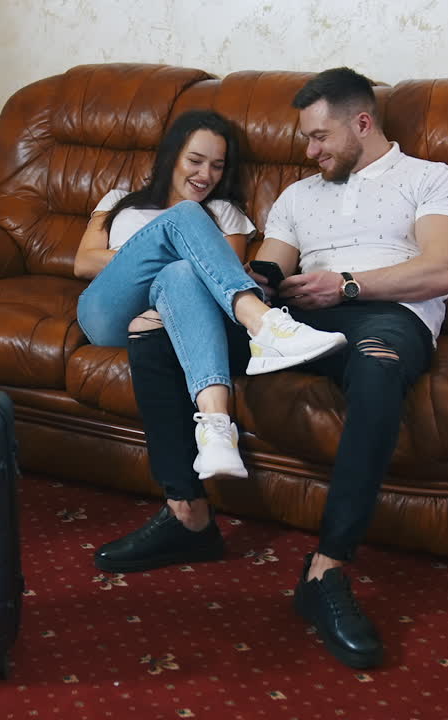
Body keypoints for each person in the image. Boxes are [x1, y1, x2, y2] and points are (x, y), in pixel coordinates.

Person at [112, 69, 448, 669]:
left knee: (380, 367)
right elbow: (268, 272)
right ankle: (187, 514)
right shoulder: (298, 196)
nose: (309, 151)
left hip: (387, 316)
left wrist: (348, 286)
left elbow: (442, 270)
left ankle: (326, 570)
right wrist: (238, 290)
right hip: (297, 315)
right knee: (155, 336)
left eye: (318, 136)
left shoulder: (432, 180)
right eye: (305, 139)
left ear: (362, 123)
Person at [75, 110, 348, 571]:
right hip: (107, 309)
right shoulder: (119, 199)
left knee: (183, 270)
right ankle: (264, 323)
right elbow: (84, 262)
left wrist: (166, 280)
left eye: (217, 167)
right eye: (195, 161)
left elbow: (206, 282)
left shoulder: (226, 214)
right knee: (181, 228)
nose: (205, 175)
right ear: (172, 156)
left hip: (165, 318)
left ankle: (217, 428)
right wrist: (160, 242)